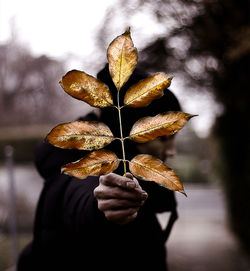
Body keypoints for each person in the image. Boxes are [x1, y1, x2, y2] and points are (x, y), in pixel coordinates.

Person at [17, 64, 182, 271]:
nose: (172, 150)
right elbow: (83, 194)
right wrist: (103, 205)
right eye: (166, 138)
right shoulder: (86, 165)